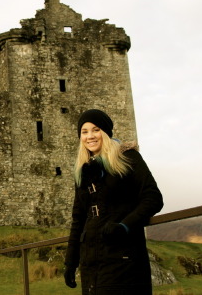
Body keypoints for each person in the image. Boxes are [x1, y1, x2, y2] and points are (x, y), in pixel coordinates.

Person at [64, 109, 163, 295]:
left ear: (106, 132)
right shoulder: (83, 170)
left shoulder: (128, 158)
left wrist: (124, 226)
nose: (90, 136)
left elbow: (153, 198)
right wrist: (71, 261)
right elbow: (78, 219)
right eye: (84, 132)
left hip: (123, 259)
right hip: (91, 263)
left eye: (95, 129)